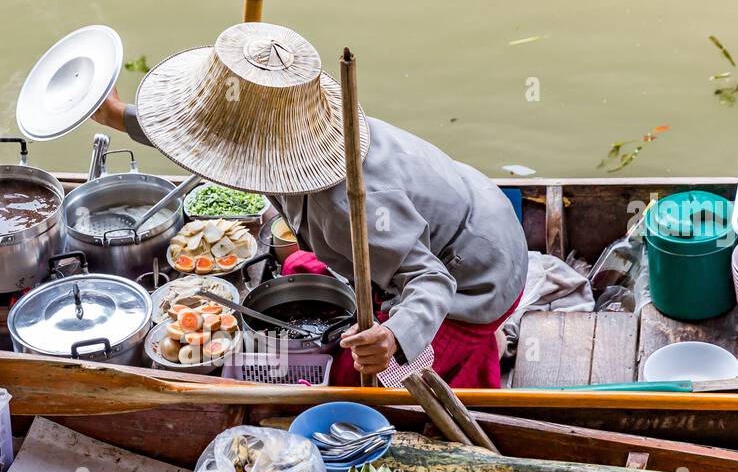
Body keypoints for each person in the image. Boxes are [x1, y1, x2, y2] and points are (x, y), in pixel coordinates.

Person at [92, 22, 528, 386]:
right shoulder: (285, 131)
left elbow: (432, 280)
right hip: (448, 210)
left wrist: (392, 337)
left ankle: (460, 365)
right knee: (301, 264)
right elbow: (195, 131)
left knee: (360, 373)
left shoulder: (343, 206)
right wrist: (117, 115)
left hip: (475, 270)